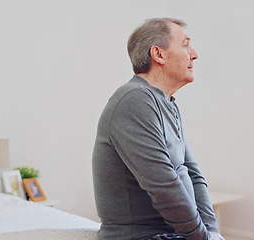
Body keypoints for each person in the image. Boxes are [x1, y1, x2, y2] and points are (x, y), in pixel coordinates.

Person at [92, 18, 225, 240]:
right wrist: (202, 237)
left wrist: (212, 231)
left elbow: (192, 172)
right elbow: (163, 185)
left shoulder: (166, 102)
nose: (194, 54)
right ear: (159, 54)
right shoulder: (134, 99)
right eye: (185, 44)